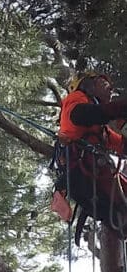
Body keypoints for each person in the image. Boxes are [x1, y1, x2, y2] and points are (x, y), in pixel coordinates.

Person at [54, 71, 127, 243]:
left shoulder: (99, 130)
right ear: (88, 84)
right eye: (104, 83)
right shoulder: (76, 99)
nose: (110, 89)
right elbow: (82, 114)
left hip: (93, 176)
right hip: (83, 172)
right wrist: (121, 108)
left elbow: (122, 144)